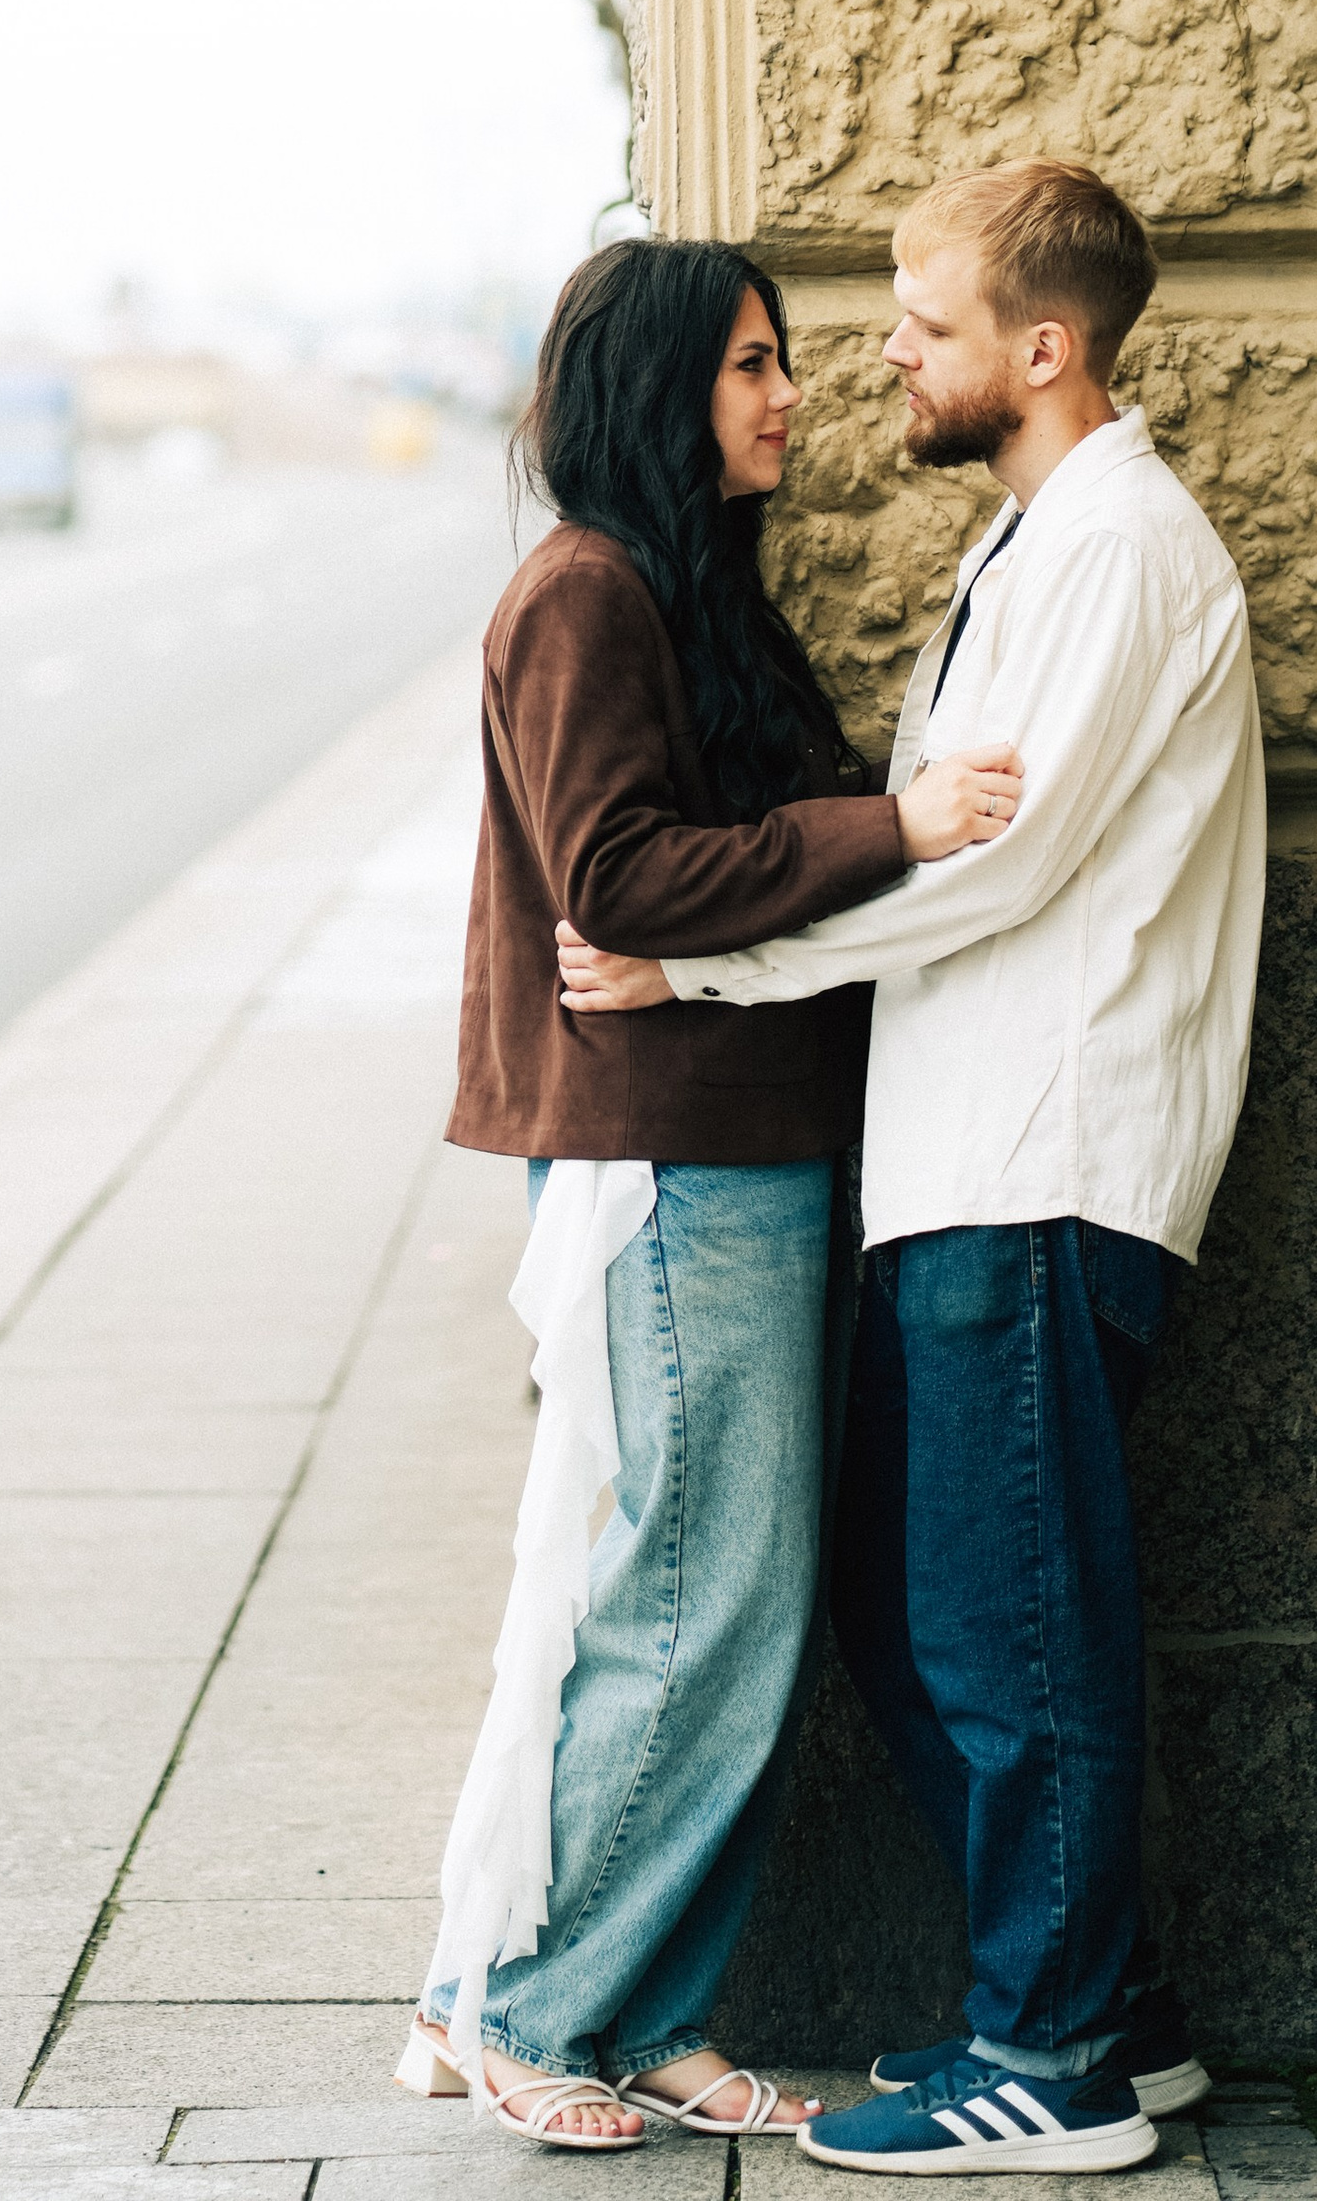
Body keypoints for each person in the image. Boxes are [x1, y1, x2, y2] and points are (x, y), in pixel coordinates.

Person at [560, 162, 1263, 2175]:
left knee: (1001, 1625)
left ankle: (1042, 2061)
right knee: (925, 1597)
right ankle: (1105, 2014)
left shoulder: (1115, 551)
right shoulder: (1044, 543)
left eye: (921, 323)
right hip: (959, 1169)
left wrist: (695, 953)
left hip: (1037, 1164)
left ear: (1040, 350)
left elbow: (991, 862)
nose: (883, 354)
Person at [407, 237, 1023, 2149]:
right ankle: (531, 2009)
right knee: (694, 1594)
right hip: (666, 1159)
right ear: (663, 387)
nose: (789, 393)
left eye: (787, 358)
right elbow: (621, 879)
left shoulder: (689, 595)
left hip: (736, 1143)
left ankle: (644, 2002)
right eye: (752, 363)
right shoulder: (584, 595)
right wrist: (891, 827)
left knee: (724, 1595)